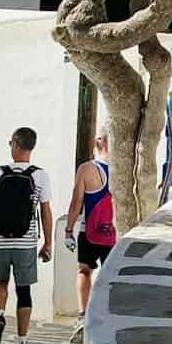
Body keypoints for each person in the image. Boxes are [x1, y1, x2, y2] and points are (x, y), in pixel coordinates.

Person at [0, 127, 52, 344]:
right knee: (24, 290)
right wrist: (48, 243)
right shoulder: (40, 175)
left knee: (0, 281)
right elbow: (46, 211)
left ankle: (0, 314)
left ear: (16, 145)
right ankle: (21, 340)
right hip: (26, 243)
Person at [65, 134, 117, 333]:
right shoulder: (122, 170)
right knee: (109, 276)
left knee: (84, 270)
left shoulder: (87, 169)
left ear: (97, 143)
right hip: (113, 232)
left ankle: (83, 315)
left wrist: (69, 230)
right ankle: (105, 316)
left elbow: (76, 203)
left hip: (89, 231)